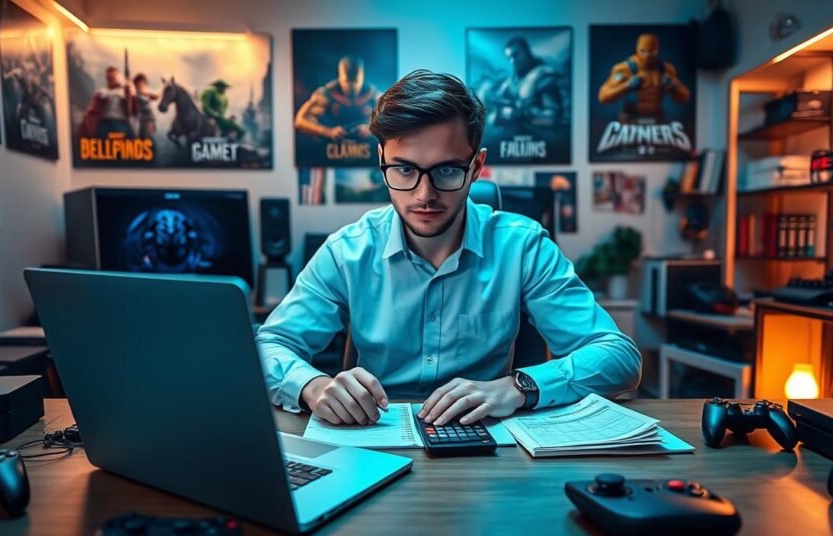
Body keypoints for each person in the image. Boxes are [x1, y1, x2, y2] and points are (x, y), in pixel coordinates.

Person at [258, 70, 641, 427]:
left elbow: (618, 356)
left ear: (476, 167)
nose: (424, 195)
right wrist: (312, 386)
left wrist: (517, 387)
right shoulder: (347, 252)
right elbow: (269, 345)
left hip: (485, 444)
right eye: (404, 169)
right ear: (381, 161)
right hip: (374, 440)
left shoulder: (523, 246)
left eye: (446, 170)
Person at [598, 33, 690, 124]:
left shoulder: (666, 69)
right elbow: (603, 97)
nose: (647, 55)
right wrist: (627, 86)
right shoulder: (624, 69)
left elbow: (684, 98)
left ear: (657, 50)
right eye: (643, 51)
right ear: (637, 49)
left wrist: (673, 87)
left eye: (652, 52)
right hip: (631, 122)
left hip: (658, 122)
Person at [479, 36, 566, 130]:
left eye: (516, 55)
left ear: (527, 52)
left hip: (539, 135)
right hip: (513, 134)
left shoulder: (543, 77)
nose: (512, 61)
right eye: (509, 58)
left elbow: (553, 118)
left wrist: (520, 115)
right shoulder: (514, 79)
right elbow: (499, 97)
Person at [294, 56, 378, 141]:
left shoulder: (374, 96)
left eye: (355, 81)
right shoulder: (326, 94)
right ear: (340, 77)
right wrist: (327, 132)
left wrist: (370, 129)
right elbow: (300, 121)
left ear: (362, 78)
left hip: (367, 147)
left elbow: (387, 121)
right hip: (329, 146)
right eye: (347, 81)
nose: (351, 86)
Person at [79, 66, 135, 139]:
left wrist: (129, 93)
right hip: (105, 123)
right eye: (110, 77)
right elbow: (93, 111)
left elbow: (131, 109)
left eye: (114, 76)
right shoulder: (102, 92)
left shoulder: (125, 91)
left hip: (120, 123)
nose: (112, 79)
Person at [132, 73, 160, 141]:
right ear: (136, 84)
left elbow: (156, 96)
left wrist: (145, 92)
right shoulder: (134, 93)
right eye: (139, 82)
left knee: (148, 137)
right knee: (141, 137)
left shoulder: (147, 93)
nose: (140, 84)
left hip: (149, 119)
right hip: (140, 120)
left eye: (142, 82)